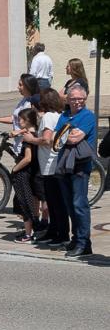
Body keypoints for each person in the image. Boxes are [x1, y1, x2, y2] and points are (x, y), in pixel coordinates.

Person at [53, 85, 96, 258]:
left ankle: (84, 244)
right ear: (68, 100)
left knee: (79, 205)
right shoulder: (64, 116)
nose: (77, 101)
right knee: (70, 205)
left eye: (81, 98)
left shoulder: (88, 116)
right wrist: (65, 135)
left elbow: (73, 139)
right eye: (74, 99)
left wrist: (64, 135)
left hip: (80, 166)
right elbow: (55, 139)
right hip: (64, 164)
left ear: (85, 99)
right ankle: (76, 238)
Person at [29, 89, 67, 245]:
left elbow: (46, 140)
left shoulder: (48, 117)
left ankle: (61, 234)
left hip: (50, 166)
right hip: (55, 163)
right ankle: (54, 231)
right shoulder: (60, 115)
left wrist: (31, 139)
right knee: (55, 202)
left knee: (54, 202)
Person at [10, 107, 40, 242]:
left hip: (24, 174)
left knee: (24, 202)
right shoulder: (35, 133)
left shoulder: (28, 138)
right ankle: (34, 230)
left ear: (28, 121)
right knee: (32, 201)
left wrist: (15, 169)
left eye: (21, 119)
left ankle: (28, 234)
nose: (19, 121)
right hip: (33, 172)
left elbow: (27, 158)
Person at [0, 74, 38, 160]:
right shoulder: (23, 100)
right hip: (18, 142)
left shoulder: (32, 104)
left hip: (25, 142)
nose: (18, 87)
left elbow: (34, 125)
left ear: (28, 86)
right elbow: (14, 118)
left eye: (20, 85)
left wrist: (19, 132)